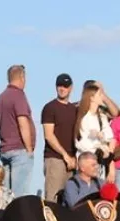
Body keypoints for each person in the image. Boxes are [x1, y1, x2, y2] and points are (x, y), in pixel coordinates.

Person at [0, 65, 36, 197]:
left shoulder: (0, 98)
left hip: (5, 149)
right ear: (22, 77)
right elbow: (23, 123)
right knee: (19, 196)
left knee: (7, 195)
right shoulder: (18, 95)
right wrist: (29, 149)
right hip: (19, 150)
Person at [41, 73, 78, 204]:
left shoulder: (74, 109)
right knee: (53, 200)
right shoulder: (50, 108)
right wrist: (65, 155)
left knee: (70, 201)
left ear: (71, 88)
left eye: (65, 86)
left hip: (72, 162)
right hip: (55, 159)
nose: (62, 89)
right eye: (59, 85)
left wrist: (74, 158)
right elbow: (49, 135)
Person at [73, 82, 115, 177]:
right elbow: (80, 142)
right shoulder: (83, 118)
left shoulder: (101, 117)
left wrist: (102, 136)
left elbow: (109, 135)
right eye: (99, 95)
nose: (102, 97)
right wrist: (98, 148)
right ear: (92, 98)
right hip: (86, 164)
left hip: (99, 164)